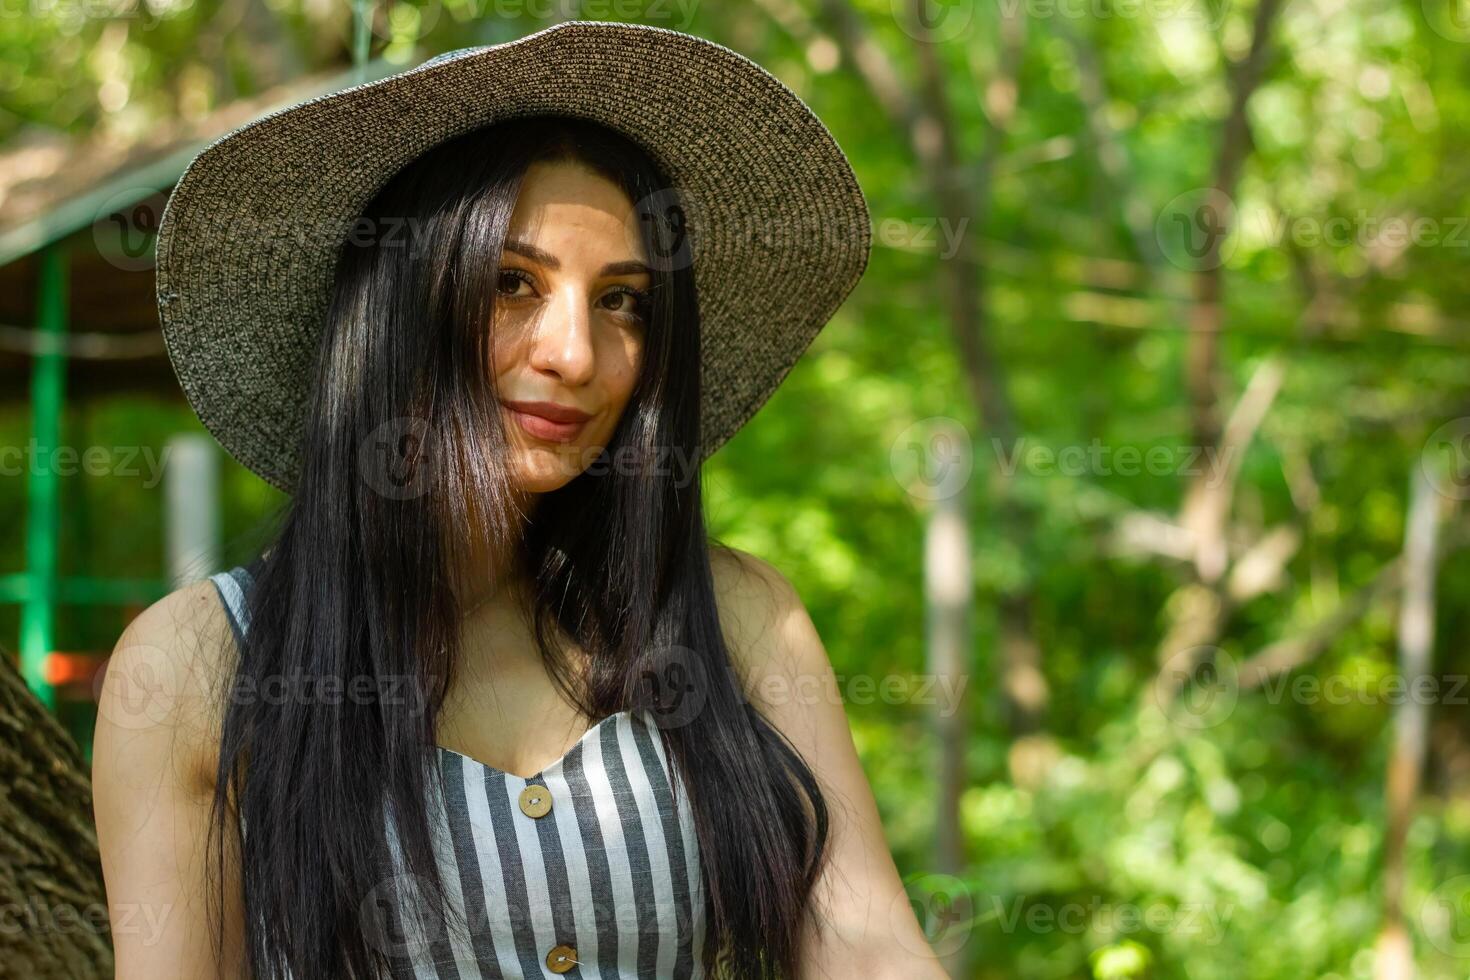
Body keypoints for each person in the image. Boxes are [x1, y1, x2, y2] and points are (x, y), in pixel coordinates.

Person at [93, 21, 949, 980]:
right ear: (395, 309)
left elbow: (871, 946)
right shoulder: (198, 670)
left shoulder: (740, 620)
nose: (575, 356)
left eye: (622, 300)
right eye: (512, 283)